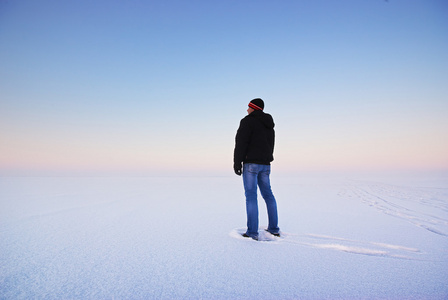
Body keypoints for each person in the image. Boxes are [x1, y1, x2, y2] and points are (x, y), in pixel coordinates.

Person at [233, 98, 280, 240]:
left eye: (248, 107)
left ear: (253, 107)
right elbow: (271, 144)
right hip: (265, 165)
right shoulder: (269, 124)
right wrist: (267, 159)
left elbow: (241, 142)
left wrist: (237, 162)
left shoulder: (247, 121)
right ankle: (274, 229)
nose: (247, 110)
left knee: (251, 197)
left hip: (251, 165)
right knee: (268, 195)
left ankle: (252, 232)